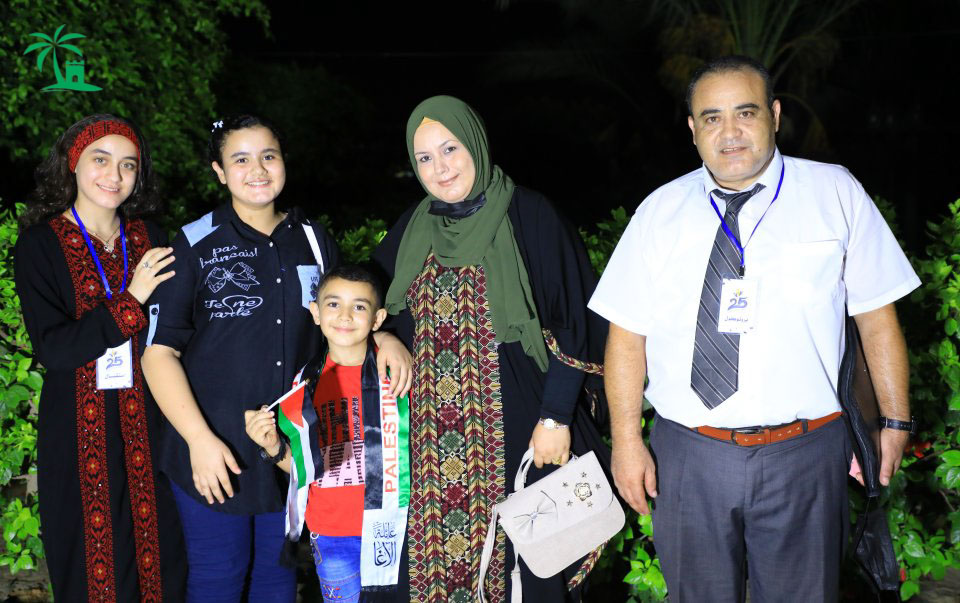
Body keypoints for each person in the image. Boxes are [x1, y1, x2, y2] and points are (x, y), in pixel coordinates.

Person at [589, 55, 921, 601]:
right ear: (693, 129)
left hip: (807, 452)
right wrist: (626, 441)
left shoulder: (834, 193)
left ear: (775, 115)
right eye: (712, 117)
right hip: (689, 455)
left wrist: (895, 420)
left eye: (745, 113)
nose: (730, 132)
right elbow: (626, 336)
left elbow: (877, 317)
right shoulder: (659, 212)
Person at [142, 114, 412, 602]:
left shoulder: (312, 238)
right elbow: (158, 352)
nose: (258, 169)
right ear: (219, 172)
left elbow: (346, 314)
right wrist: (199, 440)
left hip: (291, 448)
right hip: (213, 446)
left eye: (268, 155)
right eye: (240, 159)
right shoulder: (194, 244)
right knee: (217, 579)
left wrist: (386, 336)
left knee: (278, 578)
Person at [373, 95, 610, 602]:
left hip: (524, 431)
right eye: (425, 158)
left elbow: (574, 321)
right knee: (429, 571)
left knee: (530, 566)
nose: (440, 168)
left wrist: (555, 418)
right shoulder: (413, 227)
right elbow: (369, 299)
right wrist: (384, 334)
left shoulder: (531, 214)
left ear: (475, 144)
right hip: (430, 446)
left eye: (450, 149)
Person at [14, 114, 186, 601]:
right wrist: (130, 300)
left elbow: (176, 330)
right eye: (101, 159)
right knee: (93, 572)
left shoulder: (150, 237)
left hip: (153, 425)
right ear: (72, 163)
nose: (115, 175)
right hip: (78, 432)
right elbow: (55, 347)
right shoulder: (40, 245)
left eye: (128, 164)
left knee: (163, 563)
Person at [244, 264, 409, 603]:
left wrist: (390, 341)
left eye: (359, 306)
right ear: (315, 312)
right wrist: (272, 446)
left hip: (399, 527)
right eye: (333, 304)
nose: (345, 315)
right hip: (333, 534)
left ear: (377, 319)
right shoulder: (301, 387)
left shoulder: (398, 372)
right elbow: (303, 468)